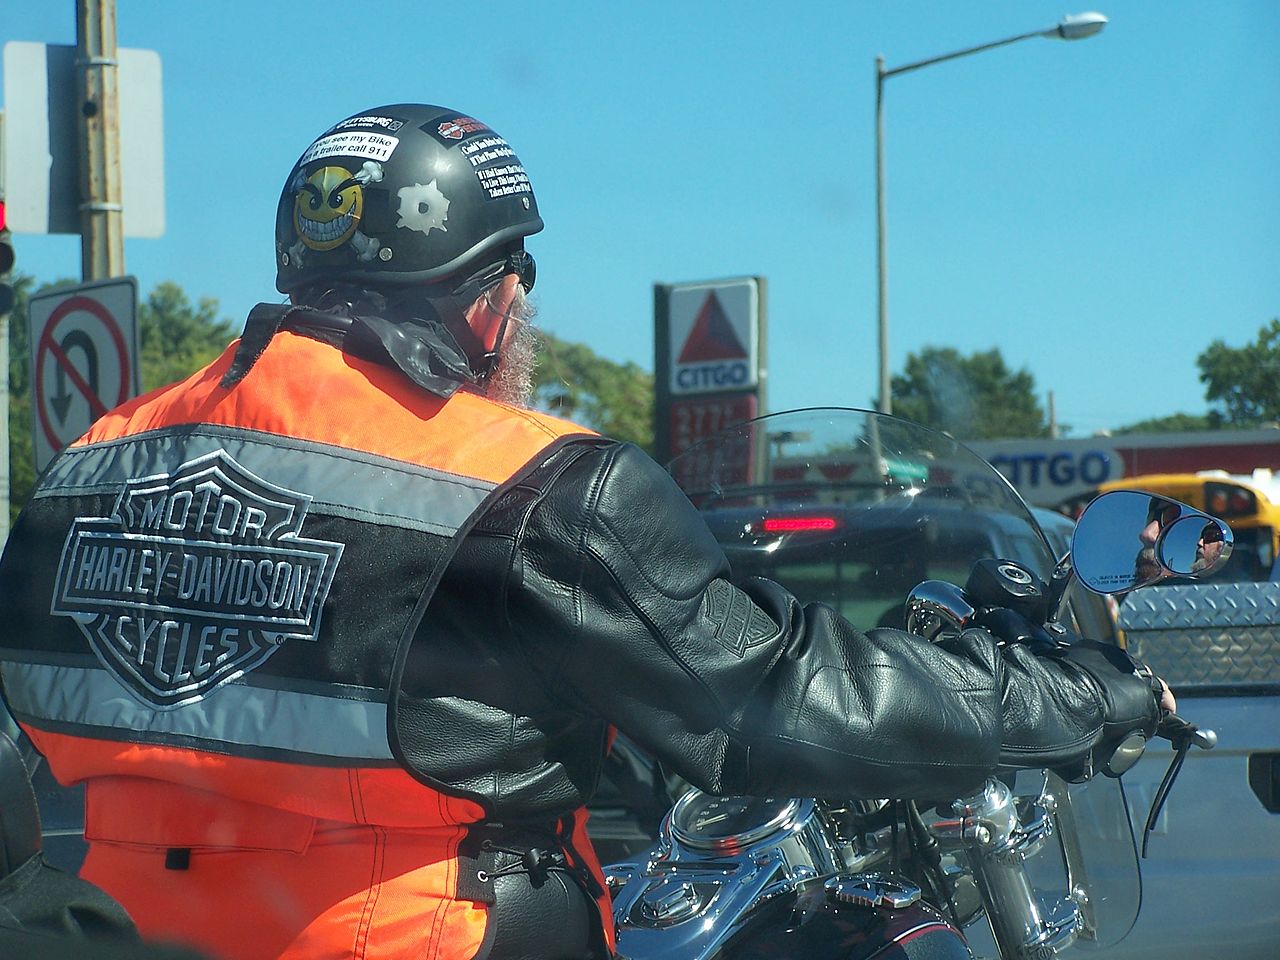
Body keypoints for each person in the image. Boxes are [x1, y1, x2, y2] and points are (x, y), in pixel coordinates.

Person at [0, 103, 1173, 960]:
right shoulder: (527, 482)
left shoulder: (84, 468)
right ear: (487, 295)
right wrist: (1074, 698)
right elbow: (785, 696)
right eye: (524, 286)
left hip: (117, 927)